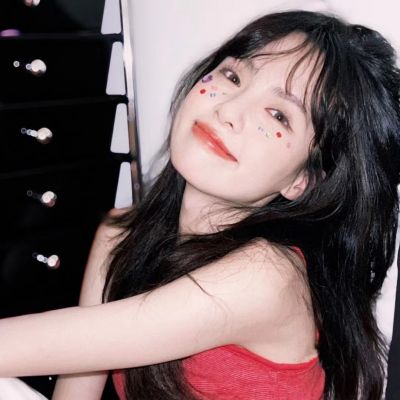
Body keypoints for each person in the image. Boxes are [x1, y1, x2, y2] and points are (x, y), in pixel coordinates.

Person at [0, 10, 399, 400]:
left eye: (278, 115)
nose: (227, 110)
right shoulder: (120, 234)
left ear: (302, 181)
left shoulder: (267, 277)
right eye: (233, 76)